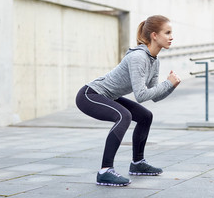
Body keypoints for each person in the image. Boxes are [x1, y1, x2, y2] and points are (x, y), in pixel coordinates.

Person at [75, 15, 180, 186]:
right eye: (167, 33)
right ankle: (105, 171)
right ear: (154, 35)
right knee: (124, 116)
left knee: (146, 116)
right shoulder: (138, 57)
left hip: (108, 96)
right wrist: (167, 83)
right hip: (90, 95)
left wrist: (170, 86)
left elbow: (154, 96)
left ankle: (138, 163)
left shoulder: (154, 60)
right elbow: (141, 95)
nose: (171, 37)